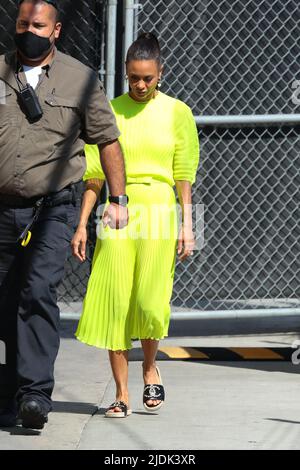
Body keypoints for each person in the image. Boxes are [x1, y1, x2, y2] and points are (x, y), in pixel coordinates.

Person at [0, 0, 128, 429]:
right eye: (22, 23)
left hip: (53, 208)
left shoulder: (80, 78)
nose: (28, 31)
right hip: (2, 208)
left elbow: (107, 139)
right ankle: (9, 393)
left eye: (37, 25)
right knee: (5, 301)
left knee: (36, 291)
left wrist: (118, 199)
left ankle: (34, 394)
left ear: (55, 30)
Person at [72, 33, 199, 418]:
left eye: (147, 78)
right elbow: (94, 175)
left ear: (161, 73)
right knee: (115, 301)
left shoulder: (178, 112)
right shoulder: (109, 111)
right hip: (117, 210)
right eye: (133, 79)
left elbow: (183, 175)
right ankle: (122, 394)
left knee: (149, 300)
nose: (140, 86)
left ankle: (149, 367)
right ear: (125, 75)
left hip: (160, 210)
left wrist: (188, 225)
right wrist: (82, 225)